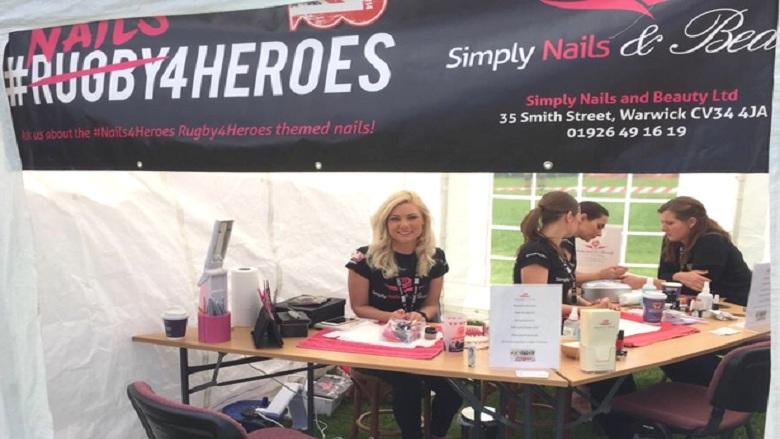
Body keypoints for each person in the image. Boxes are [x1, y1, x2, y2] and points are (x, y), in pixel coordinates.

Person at [346, 190, 462, 439]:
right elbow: (359, 307)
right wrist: (389, 316)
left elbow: (432, 304)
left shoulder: (435, 257)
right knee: (410, 384)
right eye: (395, 219)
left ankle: (434, 435)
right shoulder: (364, 257)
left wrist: (420, 314)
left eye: (411, 217)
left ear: (423, 222)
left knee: (454, 390)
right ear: (384, 223)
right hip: (375, 344)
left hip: (417, 342)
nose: (404, 225)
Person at [513, 192, 614, 317]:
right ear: (569, 216)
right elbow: (536, 302)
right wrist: (588, 310)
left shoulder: (556, 249)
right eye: (578, 218)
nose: (579, 223)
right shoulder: (536, 252)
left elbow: (565, 290)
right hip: (536, 326)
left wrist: (589, 305)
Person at [561, 201, 645, 290]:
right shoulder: (562, 241)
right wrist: (600, 275)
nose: (600, 234)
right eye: (599, 226)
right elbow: (562, 277)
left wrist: (603, 275)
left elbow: (568, 274)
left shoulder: (569, 240)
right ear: (582, 218)